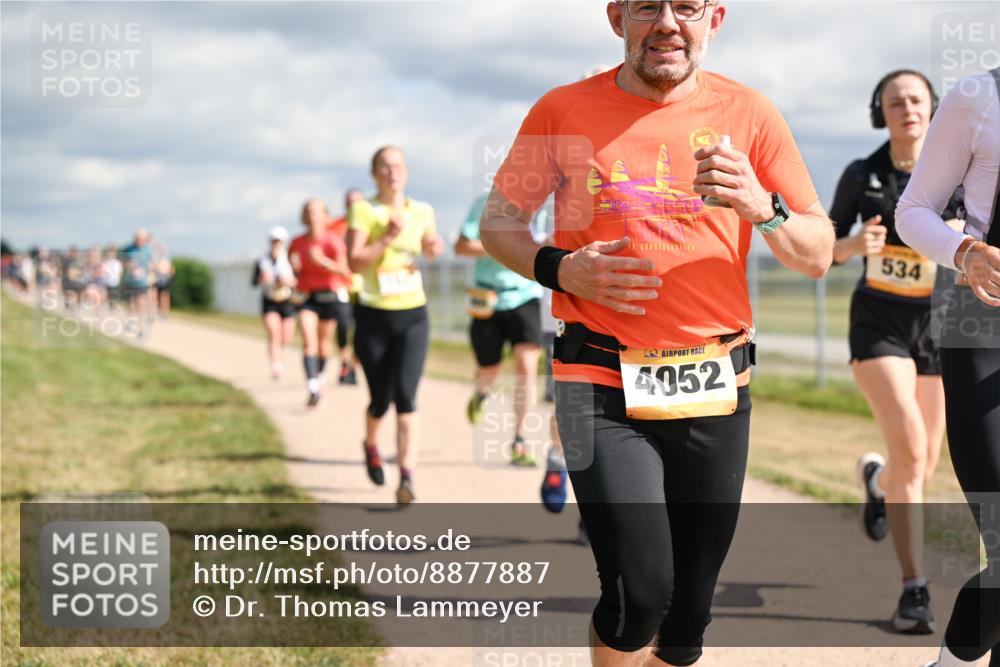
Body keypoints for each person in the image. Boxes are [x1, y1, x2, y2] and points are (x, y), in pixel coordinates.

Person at [479, 2, 834, 665]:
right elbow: (499, 224)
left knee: (688, 615)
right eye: (648, 5)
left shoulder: (751, 114)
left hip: (716, 384)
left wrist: (764, 207)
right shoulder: (561, 112)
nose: (668, 21)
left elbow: (816, 253)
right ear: (617, 18)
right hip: (600, 381)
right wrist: (561, 268)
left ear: (714, 18)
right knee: (639, 594)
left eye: (688, 7)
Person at [829, 69, 963, 635]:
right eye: (894, 101)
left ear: (933, 107)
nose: (906, 108)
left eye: (916, 99)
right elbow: (825, 250)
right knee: (909, 442)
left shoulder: (961, 172)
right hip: (878, 323)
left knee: (921, 465)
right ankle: (915, 590)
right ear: (878, 111)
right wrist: (854, 244)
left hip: (936, 329)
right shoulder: (863, 174)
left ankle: (880, 485)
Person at [897, 68, 1000, 667]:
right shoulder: (977, 97)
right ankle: (955, 661)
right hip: (984, 329)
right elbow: (915, 210)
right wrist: (963, 251)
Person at [347, 146, 445, 505]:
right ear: (375, 175)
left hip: (413, 313)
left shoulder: (423, 210)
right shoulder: (364, 210)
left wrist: (434, 247)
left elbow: (430, 251)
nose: (392, 172)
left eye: (398, 165)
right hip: (374, 315)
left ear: (406, 171)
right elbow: (354, 263)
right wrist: (386, 237)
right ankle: (371, 444)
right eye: (385, 167)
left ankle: (407, 477)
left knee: (406, 398)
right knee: (380, 400)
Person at [456, 191, 544, 467]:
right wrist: (503, 245)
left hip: (526, 293)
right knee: (488, 369)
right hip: (487, 296)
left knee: (527, 365)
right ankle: (481, 394)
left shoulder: (548, 206)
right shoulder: (485, 203)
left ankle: (519, 440)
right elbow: (461, 247)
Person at [288, 198, 353, 406]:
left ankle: (320, 375)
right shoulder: (297, 242)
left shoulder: (333, 240)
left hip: (330, 295)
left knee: (324, 343)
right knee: (309, 340)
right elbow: (292, 266)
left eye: (316, 212)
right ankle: (312, 385)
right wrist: (294, 268)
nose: (312, 216)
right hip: (308, 297)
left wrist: (322, 262)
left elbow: (345, 271)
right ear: (303, 216)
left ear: (326, 216)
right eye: (308, 211)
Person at [327, 188, 366, 385]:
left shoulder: (371, 223)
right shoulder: (335, 227)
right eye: (350, 202)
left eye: (357, 202)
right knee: (343, 326)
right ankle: (344, 364)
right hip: (341, 285)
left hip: (366, 286)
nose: (353, 206)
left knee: (363, 328)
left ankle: (354, 365)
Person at [257, 226, 297, 380]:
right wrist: (264, 279)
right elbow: (255, 281)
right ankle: (276, 366)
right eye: (274, 241)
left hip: (287, 300)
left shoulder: (290, 259)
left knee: (286, 336)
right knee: (274, 333)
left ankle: (279, 355)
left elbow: (298, 279)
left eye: (278, 241)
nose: (276, 244)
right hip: (270, 300)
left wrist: (288, 281)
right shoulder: (262, 259)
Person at [120, 229, 154, 332]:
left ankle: (141, 327)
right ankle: (129, 322)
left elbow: (152, 263)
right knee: (130, 303)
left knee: (141, 303)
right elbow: (120, 257)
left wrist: (149, 271)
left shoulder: (148, 250)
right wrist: (127, 264)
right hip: (130, 281)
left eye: (140, 239)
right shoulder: (128, 248)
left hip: (142, 282)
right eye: (136, 238)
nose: (138, 240)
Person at [152, 242, 175, 319]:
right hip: (157, 279)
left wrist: (169, 277)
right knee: (154, 296)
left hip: (165, 279)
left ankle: (164, 313)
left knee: (164, 297)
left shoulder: (167, 258)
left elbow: (172, 269)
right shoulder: (155, 258)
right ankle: (155, 311)